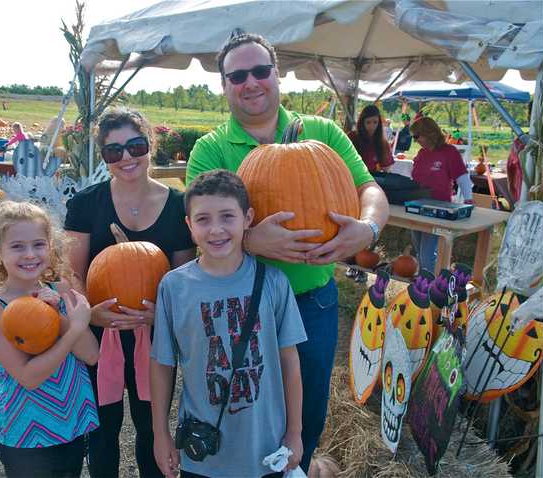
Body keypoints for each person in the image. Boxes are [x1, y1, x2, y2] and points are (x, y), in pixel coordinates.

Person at [185, 32, 389, 473]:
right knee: (243, 408)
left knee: (308, 409)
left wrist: (367, 228)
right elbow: (204, 226)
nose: (251, 82)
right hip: (241, 305)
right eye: (237, 75)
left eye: (260, 70)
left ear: (277, 75)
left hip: (311, 300)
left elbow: (369, 188)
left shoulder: (322, 133)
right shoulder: (211, 149)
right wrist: (251, 239)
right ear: (224, 85)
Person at [64, 107, 196, 478]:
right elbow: (71, 271)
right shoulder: (87, 203)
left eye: (135, 146)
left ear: (150, 145)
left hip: (154, 338)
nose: (126, 158)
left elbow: (183, 278)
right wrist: (89, 312)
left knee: (151, 428)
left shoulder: (176, 205)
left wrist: (163, 315)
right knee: (102, 432)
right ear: (104, 157)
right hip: (98, 336)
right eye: (113, 151)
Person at [151, 170, 307, 478]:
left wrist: (295, 432)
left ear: (248, 218)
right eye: (203, 219)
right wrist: (160, 434)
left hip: (265, 449)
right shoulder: (173, 287)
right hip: (204, 451)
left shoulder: (273, 282)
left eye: (227, 216)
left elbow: (290, 362)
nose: (216, 230)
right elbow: (162, 364)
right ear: (189, 226)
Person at [0, 200, 100, 478]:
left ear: (50, 246)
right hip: (27, 435)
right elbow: (28, 377)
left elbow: (92, 355)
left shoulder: (61, 291)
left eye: (38, 244)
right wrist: (71, 330)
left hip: (70, 424)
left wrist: (63, 316)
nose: (30, 254)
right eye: (17, 246)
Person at [409, 116, 473, 273]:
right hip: (417, 205)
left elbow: (462, 177)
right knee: (418, 247)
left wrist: (468, 200)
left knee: (426, 253)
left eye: (417, 136)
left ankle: (428, 287)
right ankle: (427, 279)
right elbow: (414, 177)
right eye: (414, 137)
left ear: (429, 133)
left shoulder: (449, 152)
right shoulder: (421, 154)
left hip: (438, 207)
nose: (416, 140)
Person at [346, 104, 394, 283]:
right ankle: (352, 264)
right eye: (368, 122)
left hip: (371, 188)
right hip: (351, 188)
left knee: (369, 226)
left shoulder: (381, 143)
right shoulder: (352, 138)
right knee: (353, 224)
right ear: (362, 122)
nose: (372, 126)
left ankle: (362, 267)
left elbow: (387, 167)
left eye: (375, 122)